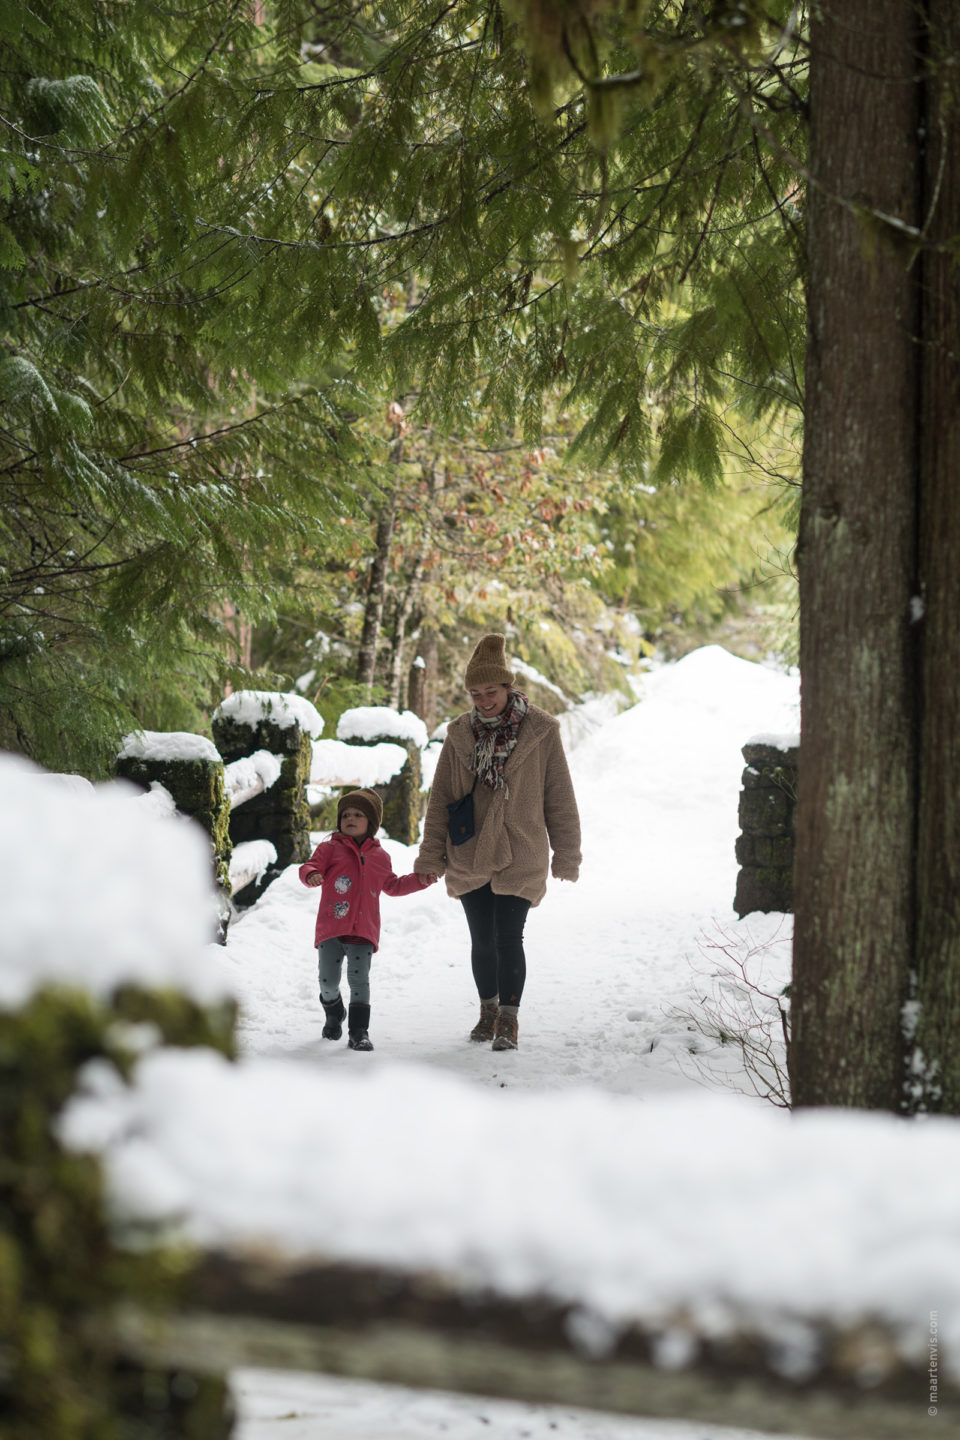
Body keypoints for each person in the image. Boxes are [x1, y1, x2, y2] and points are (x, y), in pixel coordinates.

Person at [414, 633, 581, 1051]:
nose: (483, 700)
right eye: (475, 693)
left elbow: (558, 796)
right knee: (482, 940)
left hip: (521, 850)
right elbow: (440, 801)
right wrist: (430, 855)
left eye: (491, 691)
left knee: (510, 937)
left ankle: (509, 1019)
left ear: (508, 687)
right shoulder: (459, 736)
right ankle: (487, 1010)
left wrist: (567, 855)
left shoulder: (541, 731)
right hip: (469, 851)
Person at [299, 788, 436, 1050]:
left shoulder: (380, 857)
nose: (350, 818)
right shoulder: (329, 849)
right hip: (331, 928)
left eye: (358, 814)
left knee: (359, 980)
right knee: (327, 982)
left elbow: (393, 886)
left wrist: (421, 880)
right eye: (346, 814)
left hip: (363, 930)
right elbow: (309, 866)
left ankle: (359, 1031)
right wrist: (311, 875)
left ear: (371, 822)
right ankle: (334, 1013)